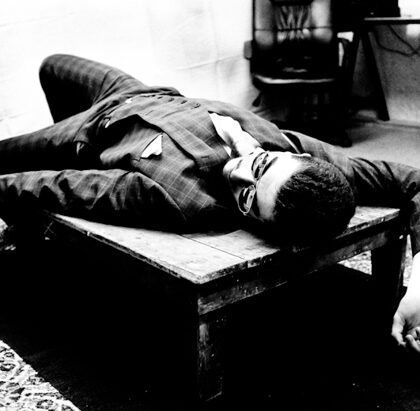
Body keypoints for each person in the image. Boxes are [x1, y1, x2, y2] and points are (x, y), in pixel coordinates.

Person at [0, 54, 419, 352]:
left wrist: (62, 160)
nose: (239, 173)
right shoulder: (295, 151)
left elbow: (57, 186)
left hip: (91, 133)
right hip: (143, 92)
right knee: (52, 65)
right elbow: (415, 181)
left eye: (249, 197)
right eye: (261, 163)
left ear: (257, 222)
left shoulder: (179, 198)